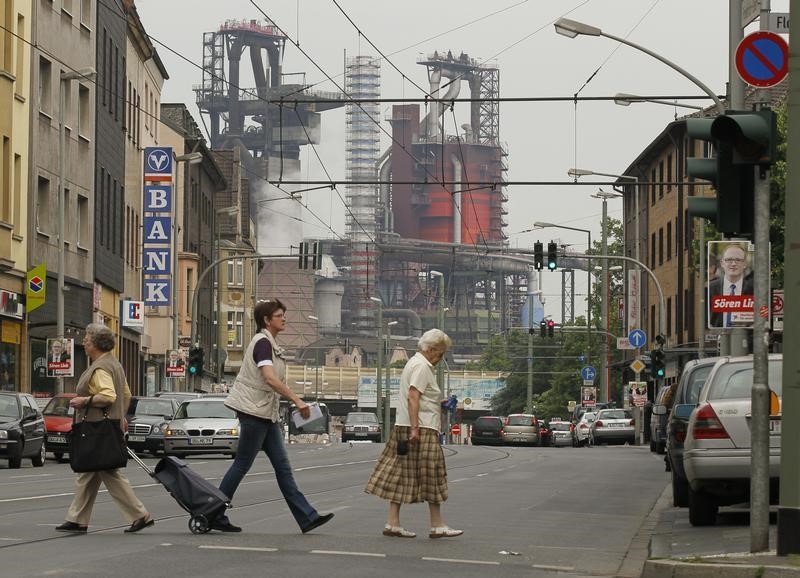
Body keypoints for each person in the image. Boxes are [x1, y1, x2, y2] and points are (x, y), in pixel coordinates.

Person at [214, 299, 334, 533]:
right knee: (241, 465)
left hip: (266, 414)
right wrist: (297, 400)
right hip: (254, 412)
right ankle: (213, 512)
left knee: (282, 467)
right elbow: (269, 378)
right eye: (279, 316)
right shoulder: (262, 344)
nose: (284, 318)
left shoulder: (270, 344)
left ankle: (307, 517)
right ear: (267, 321)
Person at [56, 323, 154, 534]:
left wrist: (83, 401)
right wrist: (121, 416)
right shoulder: (113, 364)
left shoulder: (100, 368)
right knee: (89, 473)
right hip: (107, 425)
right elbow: (125, 394)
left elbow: (108, 396)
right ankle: (77, 519)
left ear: (97, 344)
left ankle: (140, 515)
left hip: (96, 427)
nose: (84, 342)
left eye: (88, 340)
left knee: (107, 470)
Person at [365, 328, 462, 539]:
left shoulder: (414, 363)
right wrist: (416, 428)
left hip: (404, 426)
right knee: (433, 473)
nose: (441, 357)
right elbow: (413, 396)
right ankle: (437, 525)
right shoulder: (422, 366)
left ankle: (393, 523)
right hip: (421, 428)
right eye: (440, 352)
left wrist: (440, 403)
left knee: (401, 473)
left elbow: (420, 397)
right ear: (431, 349)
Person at [708, 243, 754, 327]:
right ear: (722, 263)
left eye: (738, 260)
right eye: (729, 260)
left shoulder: (754, 290)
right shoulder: (710, 289)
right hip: (717, 337)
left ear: (745, 264)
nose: (733, 264)